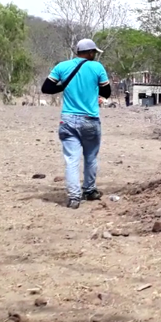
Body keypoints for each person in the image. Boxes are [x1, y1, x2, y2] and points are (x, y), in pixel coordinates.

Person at [41, 38, 112, 210]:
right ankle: (89, 190)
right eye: (94, 52)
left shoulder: (62, 67)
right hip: (90, 119)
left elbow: (46, 88)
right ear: (90, 52)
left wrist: (64, 85)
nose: (94, 55)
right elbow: (107, 92)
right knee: (90, 157)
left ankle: (74, 197)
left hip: (67, 119)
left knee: (71, 160)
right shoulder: (97, 67)